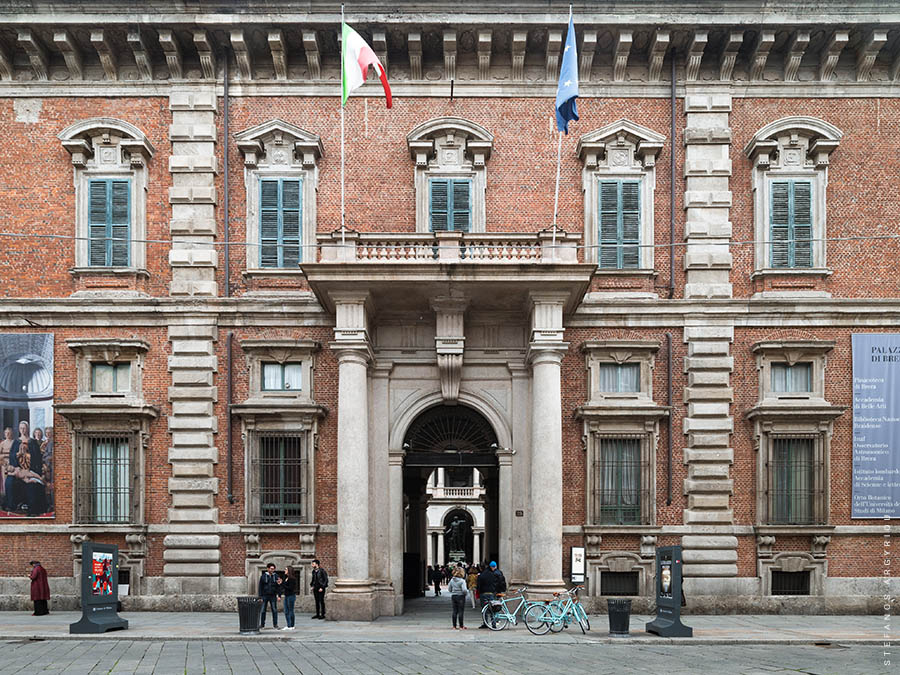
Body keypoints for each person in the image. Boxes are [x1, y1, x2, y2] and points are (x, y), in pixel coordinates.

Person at [5, 421, 47, 516]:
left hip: (30, 470)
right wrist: (18, 455)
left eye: (24, 428)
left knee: (33, 484)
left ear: (27, 429)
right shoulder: (16, 442)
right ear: (19, 430)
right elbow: (12, 457)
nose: (23, 430)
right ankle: (12, 506)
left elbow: (37, 459)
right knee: (9, 482)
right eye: (21, 428)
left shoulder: (32, 442)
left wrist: (28, 457)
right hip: (18, 470)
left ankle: (32, 509)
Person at [477, 561, 506, 628]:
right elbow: (499, 583)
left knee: (485, 609)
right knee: (493, 608)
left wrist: (479, 592)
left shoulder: (483, 574)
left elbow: (479, 584)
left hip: (484, 593)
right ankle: (494, 624)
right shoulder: (496, 573)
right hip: (492, 593)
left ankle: (486, 623)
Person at [257, 562, 280, 629]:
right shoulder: (263, 576)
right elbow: (260, 587)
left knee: (274, 610)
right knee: (263, 610)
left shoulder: (276, 576)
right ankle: (262, 624)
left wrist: (279, 595)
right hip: (264, 595)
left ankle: (275, 624)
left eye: (273, 569)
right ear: (268, 569)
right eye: (271, 569)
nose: (272, 570)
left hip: (273, 595)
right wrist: (260, 596)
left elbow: (278, 586)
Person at [277, 566, 297, 630]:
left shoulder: (292, 579)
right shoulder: (286, 578)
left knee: (290, 611)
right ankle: (289, 625)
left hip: (291, 596)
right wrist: (281, 583)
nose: (285, 570)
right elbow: (284, 587)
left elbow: (290, 588)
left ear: (289, 570)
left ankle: (291, 625)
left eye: (286, 569)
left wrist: (282, 583)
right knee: (286, 611)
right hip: (287, 596)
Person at [0, 427, 13, 502]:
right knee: (5, 482)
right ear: (4, 434)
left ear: (11, 433)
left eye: (9, 432)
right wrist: (4, 457)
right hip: (4, 464)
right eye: (6, 433)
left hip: (12, 464)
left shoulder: (14, 442)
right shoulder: (2, 443)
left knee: (12, 483)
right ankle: (6, 500)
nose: (7, 434)